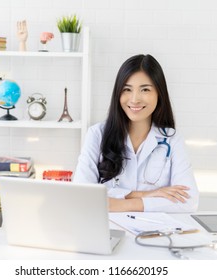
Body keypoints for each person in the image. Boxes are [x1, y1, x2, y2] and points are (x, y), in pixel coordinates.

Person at [73, 54, 199, 213]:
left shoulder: (172, 139)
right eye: (127, 89)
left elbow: (189, 201)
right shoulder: (97, 134)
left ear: (159, 94)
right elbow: (82, 194)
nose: (134, 99)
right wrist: (146, 195)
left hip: (155, 233)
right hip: (107, 231)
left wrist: (116, 203)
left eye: (145, 89)